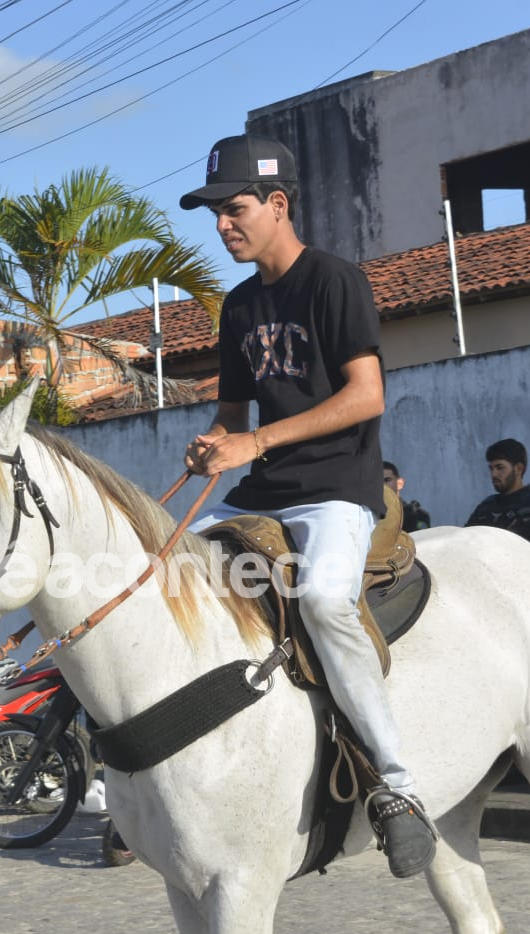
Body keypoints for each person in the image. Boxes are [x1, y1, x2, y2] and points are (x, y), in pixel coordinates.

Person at [179, 133, 436, 878]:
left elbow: (367, 396)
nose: (222, 225)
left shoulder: (335, 281)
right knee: (171, 575)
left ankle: (396, 786)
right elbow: (232, 416)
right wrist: (214, 444)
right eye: (215, 213)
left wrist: (255, 443)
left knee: (323, 601)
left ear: (278, 203)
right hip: (264, 493)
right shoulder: (238, 306)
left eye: (234, 209)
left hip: (337, 489)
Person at [465, 438, 530, 557]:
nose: (493, 474)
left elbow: (516, 550)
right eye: (491, 468)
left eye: (500, 468)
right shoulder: (486, 506)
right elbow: (465, 540)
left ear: (519, 469)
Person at [383, 462, 431, 531]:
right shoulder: (369, 517)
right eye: (378, 482)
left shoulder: (417, 515)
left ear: (400, 483)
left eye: (387, 480)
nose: (383, 485)